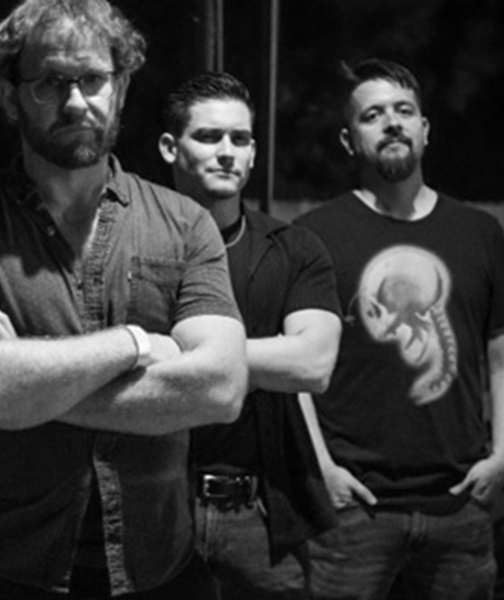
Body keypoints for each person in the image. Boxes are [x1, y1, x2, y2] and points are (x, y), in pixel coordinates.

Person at [0, 1, 250, 598]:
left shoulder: (184, 224)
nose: (76, 102)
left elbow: (221, 389)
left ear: (120, 87)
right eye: (50, 82)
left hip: (157, 569)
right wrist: (135, 344)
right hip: (1, 572)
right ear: (11, 96)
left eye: (93, 79)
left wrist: (21, 382)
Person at [295, 58, 504, 599]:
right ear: (349, 140)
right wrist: (321, 467)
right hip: (354, 512)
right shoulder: (314, 236)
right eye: (372, 115)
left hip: (459, 507)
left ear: (425, 129)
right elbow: (298, 370)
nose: (392, 123)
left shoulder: (479, 233)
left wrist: (503, 455)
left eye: (404, 111)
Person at [158, 72, 341, 598]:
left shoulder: (293, 248)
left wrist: (174, 356)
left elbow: (312, 364)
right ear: (170, 147)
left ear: (254, 152)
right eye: (208, 136)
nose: (226, 152)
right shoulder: (133, 245)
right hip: (156, 510)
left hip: (259, 514)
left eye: (239, 138)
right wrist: (262, 364)